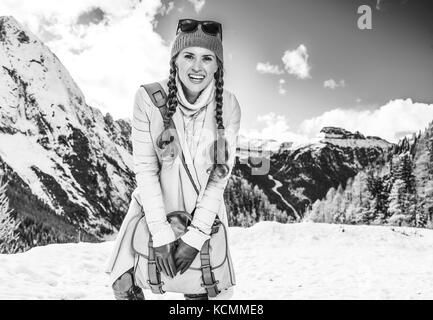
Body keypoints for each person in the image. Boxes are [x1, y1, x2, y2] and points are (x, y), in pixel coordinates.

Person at [105, 18, 241, 300]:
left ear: (218, 66)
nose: (197, 67)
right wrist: (162, 234)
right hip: (154, 210)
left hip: (203, 217)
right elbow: (145, 169)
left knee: (200, 288)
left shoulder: (228, 106)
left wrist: (194, 239)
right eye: (188, 56)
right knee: (124, 285)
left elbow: (218, 178)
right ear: (175, 60)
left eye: (207, 58)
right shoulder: (148, 98)